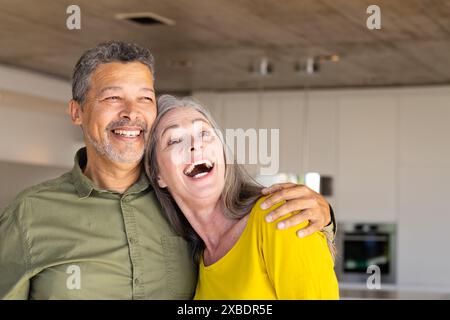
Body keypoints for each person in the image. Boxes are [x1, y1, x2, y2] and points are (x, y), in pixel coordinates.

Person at [0, 41, 335, 299]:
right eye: (113, 97)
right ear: (77, 112)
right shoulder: (29, 214)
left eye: (145, 98)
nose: (131, 113)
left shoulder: (181, 202)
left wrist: (325, 216)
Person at [145, 95, 339, 299]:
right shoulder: (197, 262)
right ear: (157, 174)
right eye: (175, 140)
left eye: (204, 133)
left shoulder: (280, 216)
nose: (195, 145)